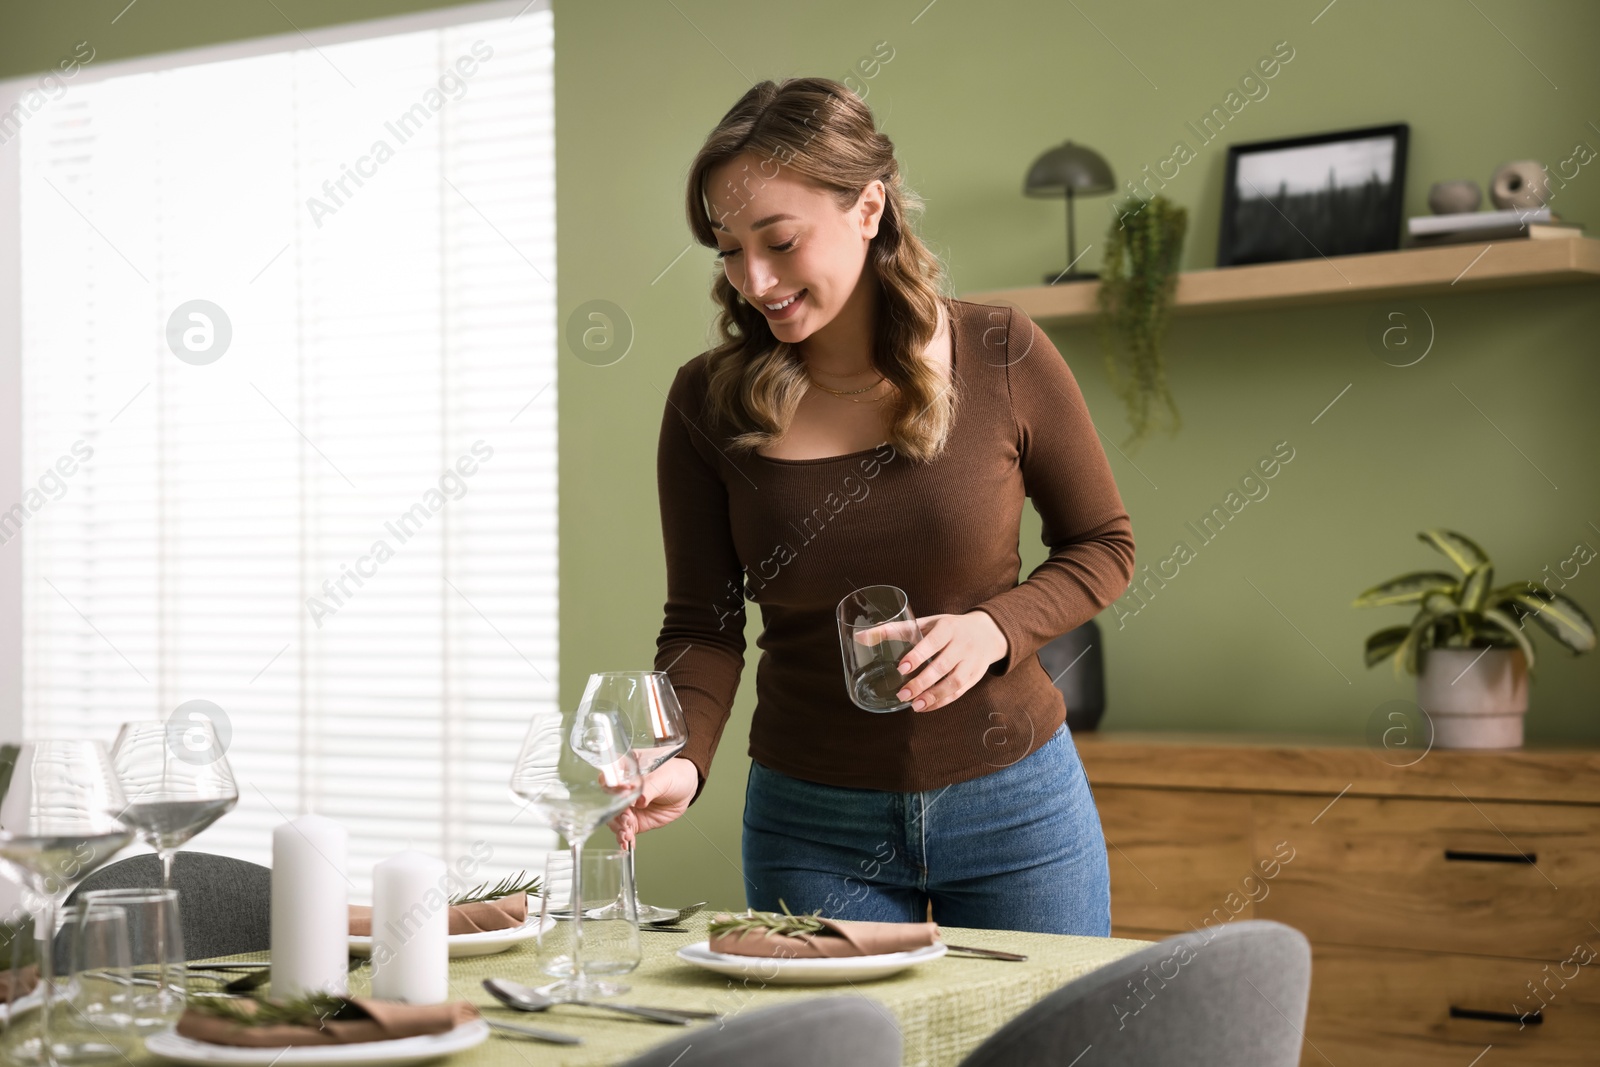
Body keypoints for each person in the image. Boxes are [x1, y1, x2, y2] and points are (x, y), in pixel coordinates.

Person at [609, 77, 1136, 935]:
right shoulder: (704, 402)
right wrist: (680, 759)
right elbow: (702, 626)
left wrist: (995, 630)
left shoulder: (1002, 351)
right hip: (809, 825)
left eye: (779, 240)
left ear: (869, 207)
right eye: (729, 250)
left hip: (1017, 805)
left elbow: (1102, 543)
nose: (756, 279)